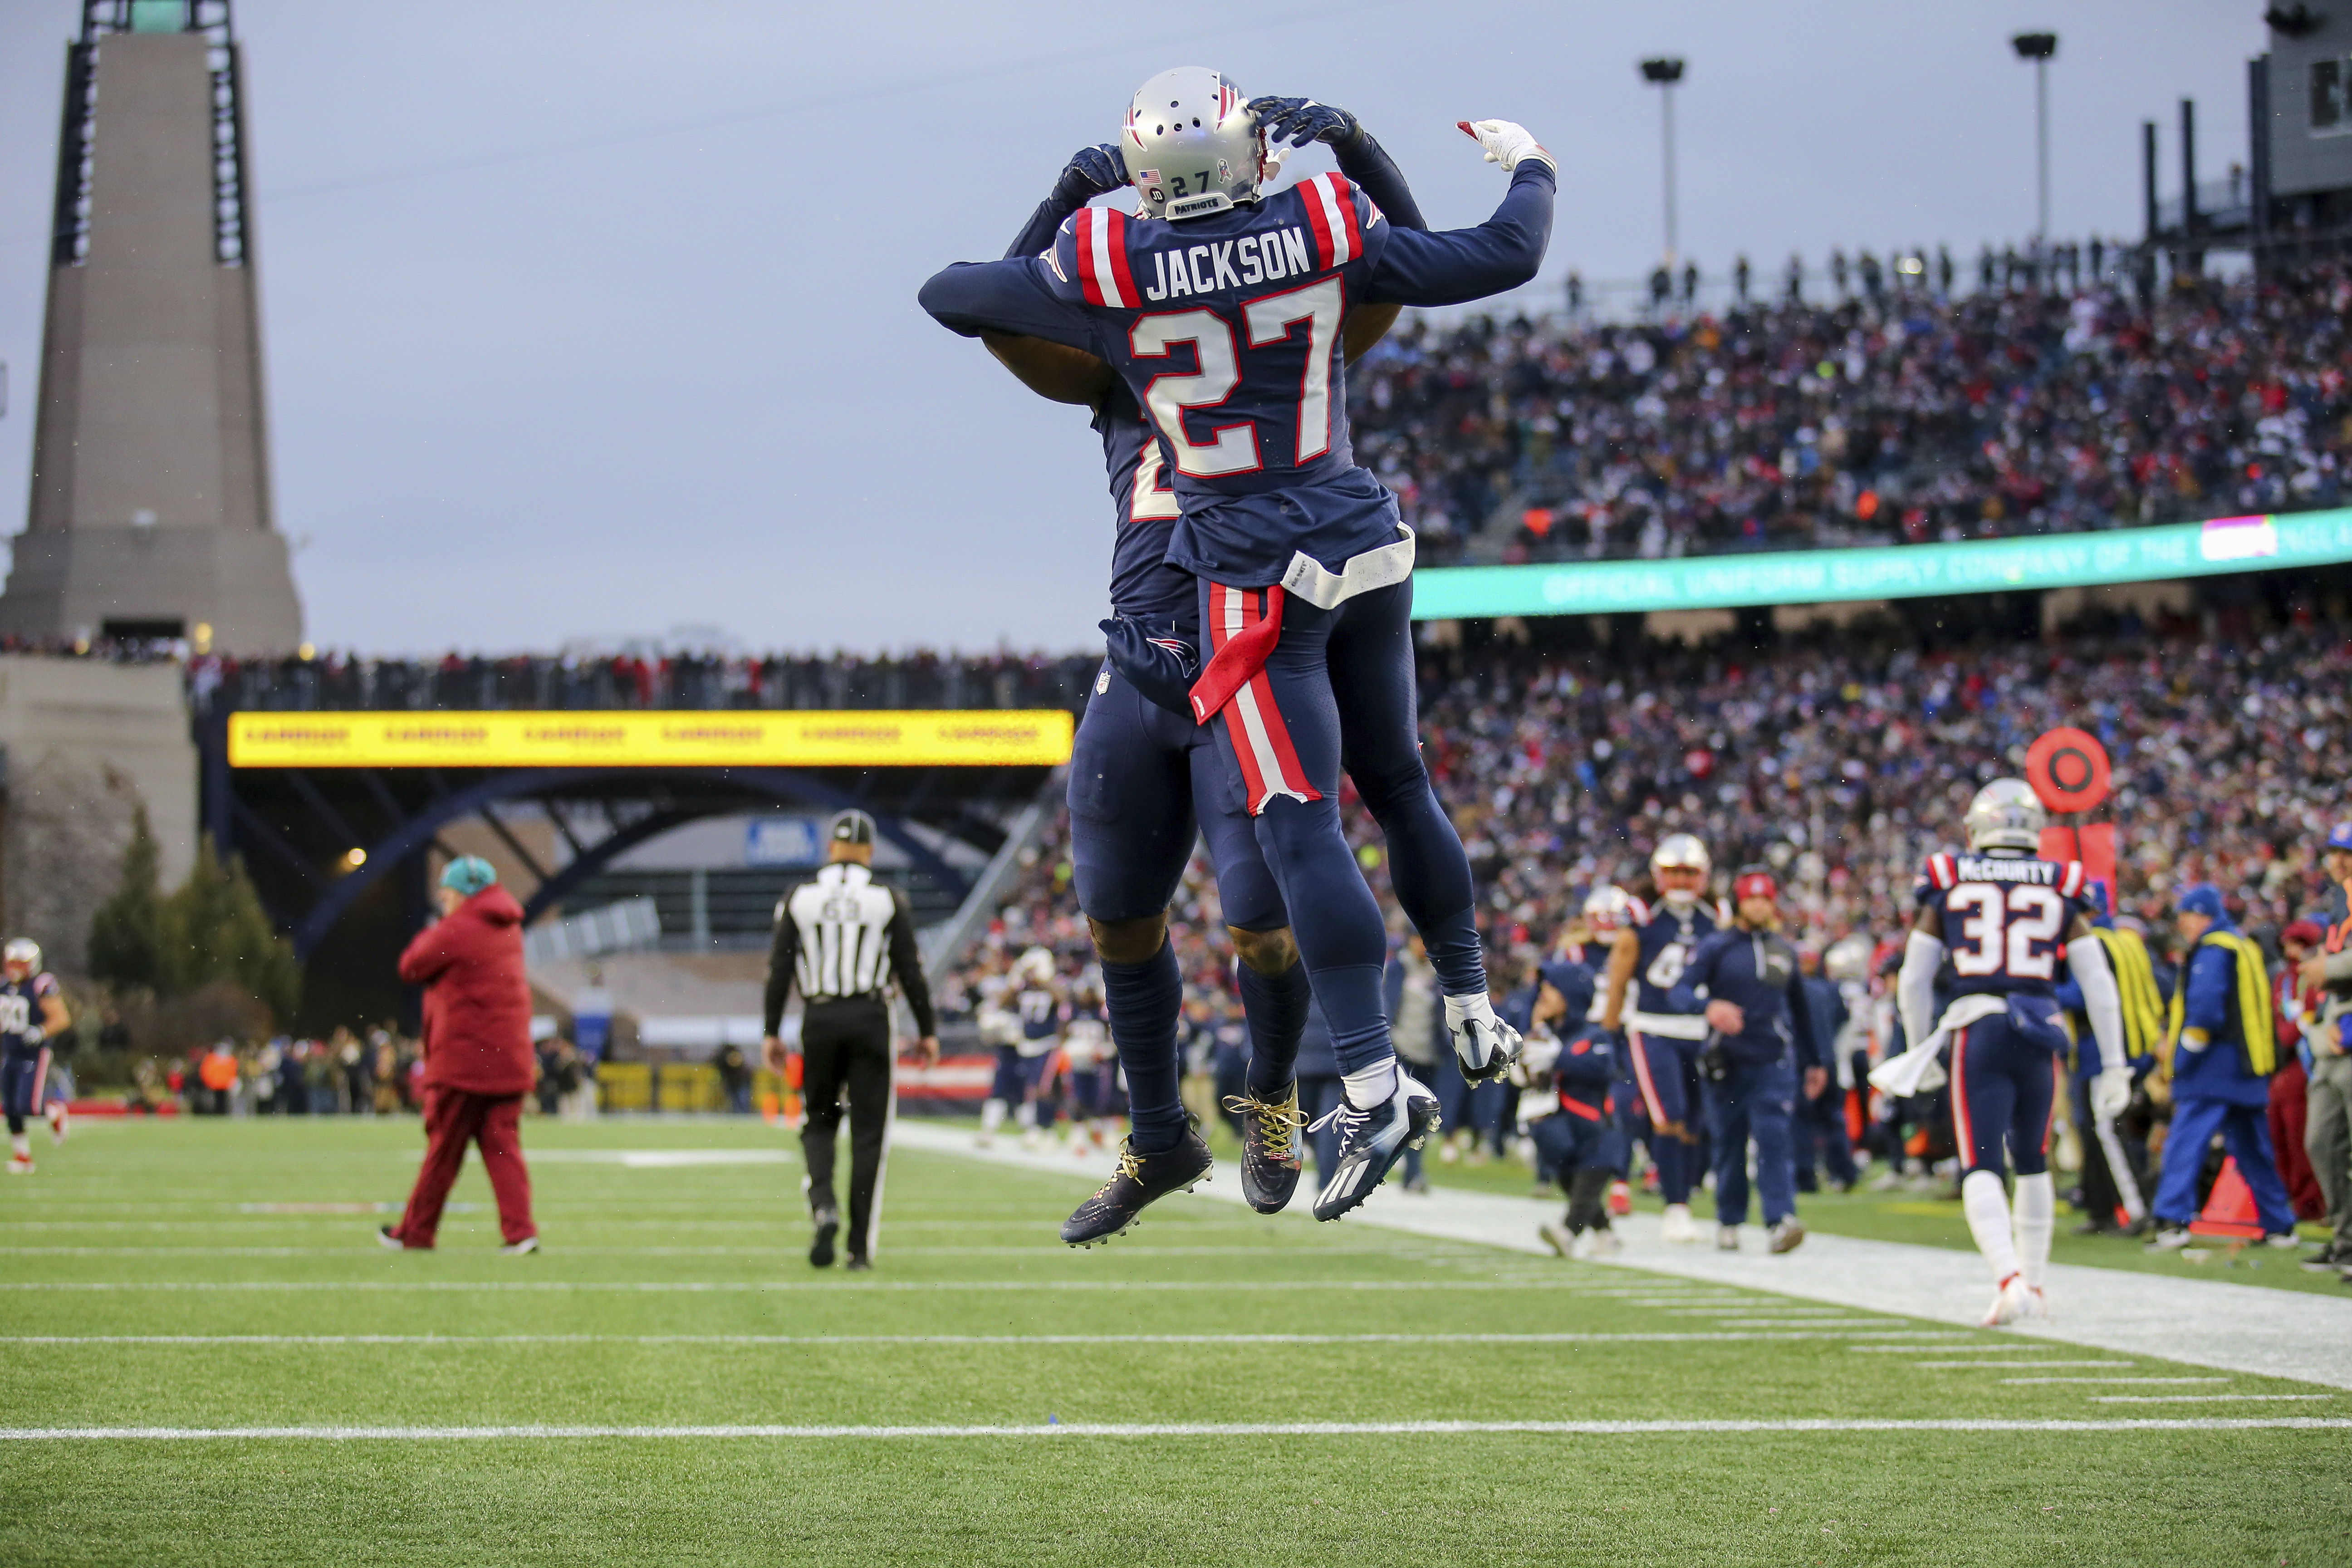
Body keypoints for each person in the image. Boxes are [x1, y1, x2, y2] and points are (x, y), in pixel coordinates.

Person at [921, 76, 1551, 1218]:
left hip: (1242, 619)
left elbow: (977, 295)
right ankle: (1161, 1133)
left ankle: (1278, 1093)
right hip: (1158, 646)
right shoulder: (1162, 333)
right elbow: (1000, 324)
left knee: (1265, 908)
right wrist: (1365, 149)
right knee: (1121, 908)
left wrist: (1072, 199)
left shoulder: (1121, 278)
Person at [1885, 781, 2132, 1324]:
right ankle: (2036, 1285)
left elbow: (1915, 979)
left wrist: (1922, 1042)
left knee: (1981, 1163)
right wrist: (2115, 1064)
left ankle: (2009, 1279)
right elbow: (2098, 983)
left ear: (1978, 829)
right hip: (2039, 1030)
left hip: (1978, 1028)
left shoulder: (1950, 877)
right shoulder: (2061, 883)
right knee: (2034, 1160)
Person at [762, 810, 939, 1271]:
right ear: (870, 853)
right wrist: (928, 1030)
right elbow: (911, 970)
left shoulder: (799, 896)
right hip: (869, 1017)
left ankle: (824, 1204)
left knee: (818, 1122)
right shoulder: (886, 897)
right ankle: (858, 1250)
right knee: (868, 1134)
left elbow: (779, 971)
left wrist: (770, 1031)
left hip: (819, 1016)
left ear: (830, 850)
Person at [380, 858, 539, 1254]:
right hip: (509, 1061)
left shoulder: (456, 929)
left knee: (443, 1151)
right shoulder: (509, 928)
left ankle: (417, 1233)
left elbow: (410, 966)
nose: (444, 901)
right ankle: (521, 1233)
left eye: (447, 895)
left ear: (461, 895)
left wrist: (438, 927)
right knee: (504, 1150)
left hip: (466, 1062)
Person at [1670, 867, 1820, 1254]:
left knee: (1774, 1139)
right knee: (1729, 1143)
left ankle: (1780, 1219)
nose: (1758, 905)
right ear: (1739, 903)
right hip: (1727, 1062)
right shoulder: (1715, 947)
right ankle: (1730, 1218)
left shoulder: (1785, 951)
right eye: (1752, 898)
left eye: (1765, 898)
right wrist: (1709, 1007)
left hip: (1773, 1061)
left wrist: (1816, 1061)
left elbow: (1802, 1013)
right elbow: (1679, 993)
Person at [2145, 884, 2298, 1253]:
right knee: (2252, 1147)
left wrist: (2183, 1058)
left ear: (2201, 915)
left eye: (2186, 917)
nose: (2183, 926)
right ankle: (2279, 1224)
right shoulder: (2240, 944)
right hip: (2247, 1066)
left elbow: (2206, 1010)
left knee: (2185, 1141)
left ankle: (2172, 1219)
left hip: (2214, 1066)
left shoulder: (2213, 949)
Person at [1603, 836, 1717, 1242]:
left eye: (1689, 872)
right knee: (1668, 1116)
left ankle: (1682, 1197)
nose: (1682, 880)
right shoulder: (1642, 914)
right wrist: (1608, 1028)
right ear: (1658, 874)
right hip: (1653, 1026)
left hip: (1701, 1030)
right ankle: (1676, 1208)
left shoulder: (1717, 914)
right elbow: (1620, 973)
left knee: (1694, 1122)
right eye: (1674, 872)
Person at [2053, 888, 2164, 1235]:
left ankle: (2137, 1208)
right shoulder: (2127, 941)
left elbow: (2082, 995)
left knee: (2108, 1130)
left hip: (2102, 1051)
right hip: (2128, 1044)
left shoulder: (2093, 943)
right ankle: (2100, 1207)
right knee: (2095, 1131)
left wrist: (2039, 986)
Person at [2297, 823, 2352, 1274]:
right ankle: (2345, 1239)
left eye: (2347, 853)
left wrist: (2326, 966)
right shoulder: (2339, 899)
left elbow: (2334, 968)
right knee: (2321, 1142)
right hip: (2336, 1038)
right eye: (2335, 852)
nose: (2340, 861)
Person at [0, 940, 69, 1173]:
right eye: (12, 962)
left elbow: (61, 1018)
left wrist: (41, 1031)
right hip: (10, 1053)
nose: (14, 968)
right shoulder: (4, 987)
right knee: (9, 1107)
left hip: (34, 1053)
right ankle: (23, 1156)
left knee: (28, 1105)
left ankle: (55, 1111)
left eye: (20, 963)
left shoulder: (41, 984)